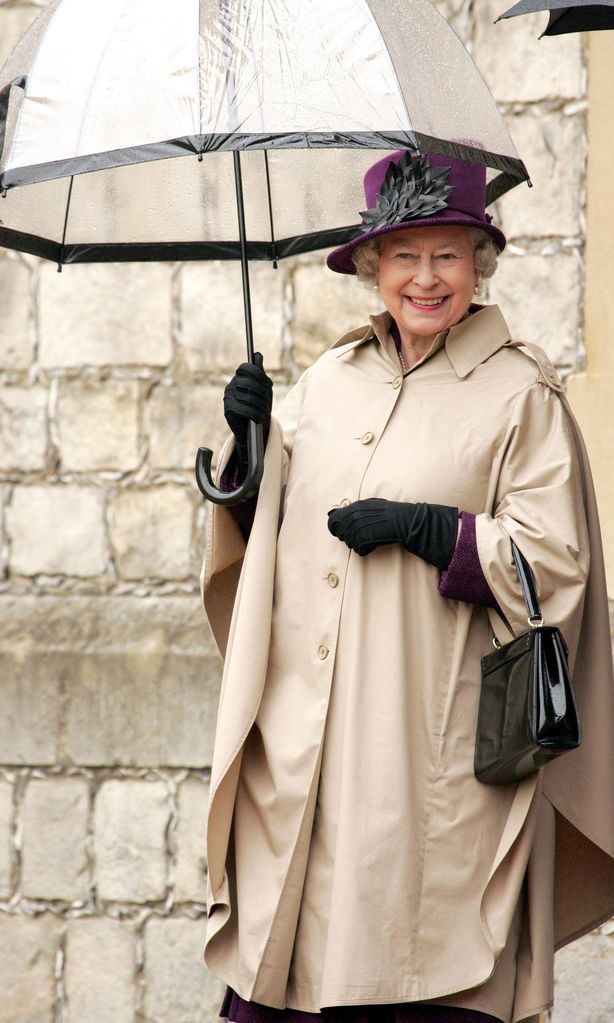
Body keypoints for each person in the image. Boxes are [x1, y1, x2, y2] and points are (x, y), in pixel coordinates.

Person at [201, 150, 614, 1023]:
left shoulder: (520, 396)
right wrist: (248, 452)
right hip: (307, 767)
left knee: (418, 974)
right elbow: (266, 544)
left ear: (480, 263)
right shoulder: (323, 385)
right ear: (368, 267)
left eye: (448, 255)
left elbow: (560, 566)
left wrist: (441, 532)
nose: (425, 278)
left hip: (434, 770)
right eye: (402, 256)